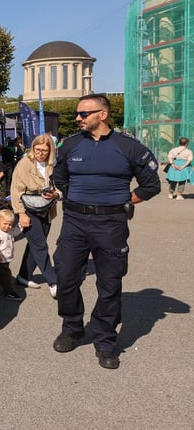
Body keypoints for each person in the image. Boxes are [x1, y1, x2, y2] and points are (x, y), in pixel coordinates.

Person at [51, 94, 161, 370]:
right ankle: (72, 327)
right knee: (64, 277)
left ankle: (105, 340)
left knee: (110, 284)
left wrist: (124, 202)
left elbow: (151, 184)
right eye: (77, 113)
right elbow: (60, 177)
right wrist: (76, 199)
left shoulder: (128, 147)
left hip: (111, 224)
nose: (78, 118)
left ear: (102, 115)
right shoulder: (70, 145)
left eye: (83, 113)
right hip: (74, 221)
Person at [10, 133, 59, 298]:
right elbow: (15, 191)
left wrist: (55, 194)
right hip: (27, 209)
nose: (40, 153)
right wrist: (21, 214)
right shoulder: (24, 164)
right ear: (32, 148)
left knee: (35, 245)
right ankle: (53, 281)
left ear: (50, 150)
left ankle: (23, 276)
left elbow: (60, 186)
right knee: (40, 246)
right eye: (37, 149)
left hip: (47, 209)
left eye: (44, 150)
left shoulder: (52, 164)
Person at [0, 209, 23, 301]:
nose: (7, 227)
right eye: (5, 224)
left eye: (10, 224)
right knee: (6, 275)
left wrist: (21, 226)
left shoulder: (9, 231)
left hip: (5, 258)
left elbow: (15, 232)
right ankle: (9, 292)